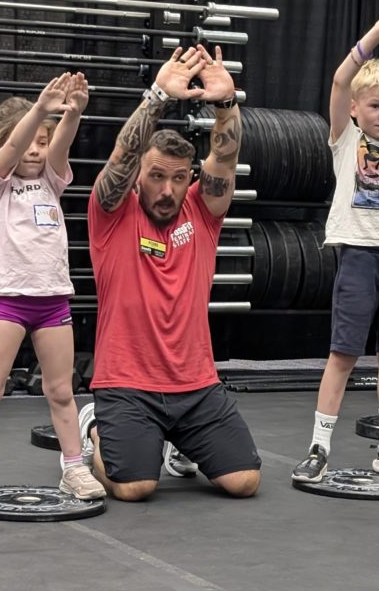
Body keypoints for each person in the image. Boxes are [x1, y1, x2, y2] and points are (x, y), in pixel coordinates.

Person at [79, 43, 261, 501]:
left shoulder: (202, 212)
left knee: (244, 482)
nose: (167, 189)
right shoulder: (113, 213)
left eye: (178, 178)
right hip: (127, 384)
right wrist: (158, 96)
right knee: (135, 487)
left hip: (195, 385)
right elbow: (122, 155)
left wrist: (225, 105)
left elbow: (223, 158)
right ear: (140, 176)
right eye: (157, 176)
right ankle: (95, 429)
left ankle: (180, 440)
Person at [0, 73, 106, 504]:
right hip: (8, 302)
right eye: (28, 140)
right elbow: (13, 148)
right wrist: (38, 110)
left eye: (42, 141)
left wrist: (72, 113)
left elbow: (63, 142)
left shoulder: (51, 179)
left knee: (61, 390)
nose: (34, 149)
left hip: (52, 301)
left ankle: (73, 468)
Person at [292, 5, 379, 485]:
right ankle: (318, 447)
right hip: (357, 253)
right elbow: (340, 79)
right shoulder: (343, 137)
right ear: (356, 109)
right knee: (344, 354)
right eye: (375, 106)